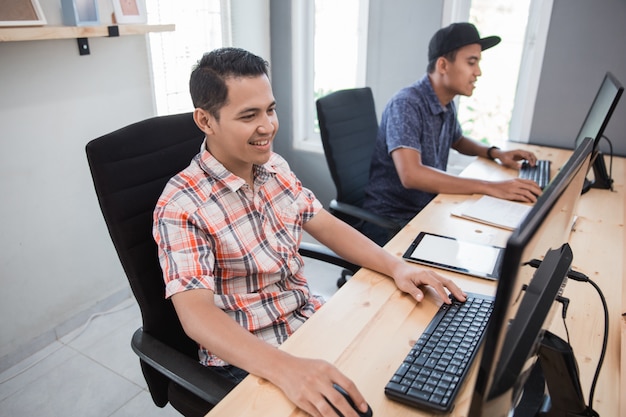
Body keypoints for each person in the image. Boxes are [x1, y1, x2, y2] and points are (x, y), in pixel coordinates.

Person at [153, 47, 466, 417]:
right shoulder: (181, 204)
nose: (268, 126)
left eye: (270, 109)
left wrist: (396, 266)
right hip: (249, 358)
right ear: (205, 121)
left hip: (308, 319)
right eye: (249, 115)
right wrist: (286, 368)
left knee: (409, 367)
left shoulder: (273, 167)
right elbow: (196, 316)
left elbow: (325, 224)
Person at [361, 23, 543, 246]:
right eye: (471, 62)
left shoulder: (445, 101)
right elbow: (411, 175)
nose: (478, 72)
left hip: (426, 209)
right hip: (392, 221)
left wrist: (495, 152)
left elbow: (457, 139)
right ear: (443, 65)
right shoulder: (407, 104)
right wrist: (490, 187)